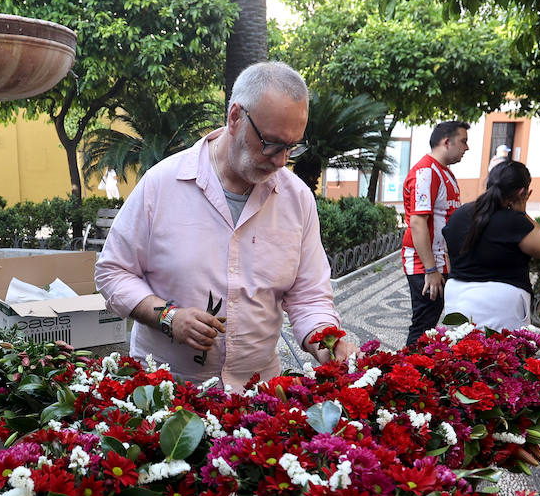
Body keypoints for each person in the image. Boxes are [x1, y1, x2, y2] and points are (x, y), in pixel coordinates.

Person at [94, 60, 357, 392]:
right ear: (235, 117)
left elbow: (309, 296)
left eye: (291, 147)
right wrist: (168, 317)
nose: (280, 160)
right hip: (167, 391)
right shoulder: (162, 184)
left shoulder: (297, 199)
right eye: (272, 143)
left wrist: (328, 343)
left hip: (257, 395)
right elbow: (112, 272)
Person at [439, 160, 540, 331]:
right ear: (522, 192)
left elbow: (449, 252)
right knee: (503, 355)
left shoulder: (461, 214)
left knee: (461, 353)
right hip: (503, 301)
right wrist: (522, 212)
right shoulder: (514, 220)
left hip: (457, 296)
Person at [401, 120, 469, 346]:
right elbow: (418, 223)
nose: (466, 148)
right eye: (463, 141)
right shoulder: (426, 172)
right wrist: (430, 269)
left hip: (439, 262)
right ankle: (405, 376)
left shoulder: (443, 172)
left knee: (428, 325)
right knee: (422, 326)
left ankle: (414, 374)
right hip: (426, 265)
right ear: (446, 141)